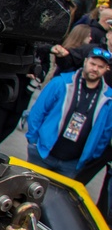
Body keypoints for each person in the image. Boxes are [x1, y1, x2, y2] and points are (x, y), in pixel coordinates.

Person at [26, 48, 112, 178]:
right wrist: (33, 139)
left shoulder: (108, 98)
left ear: (107, 69)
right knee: (28, 194)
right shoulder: (61, 83)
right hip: (43, 153)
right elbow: (38, 111)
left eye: (100, 67)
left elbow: (106, 132)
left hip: (72, 164)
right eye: (92, 64)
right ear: (85, 62)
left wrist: (92, 155)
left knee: (57, 198)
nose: (95, 69)